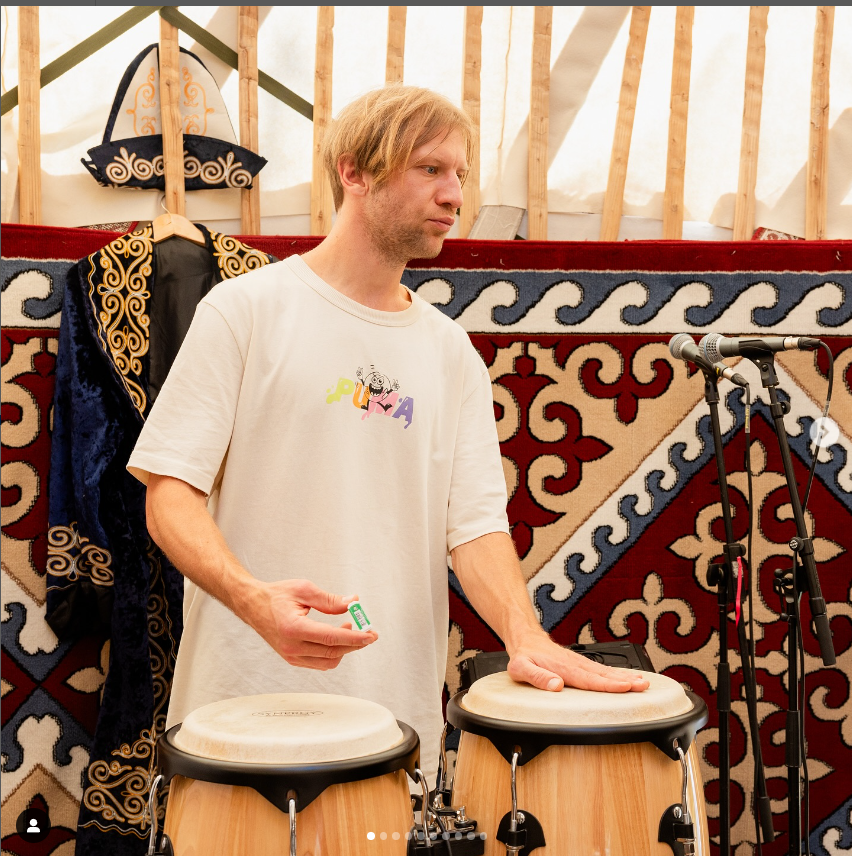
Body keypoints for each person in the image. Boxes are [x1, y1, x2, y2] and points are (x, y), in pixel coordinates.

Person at [128, 85, 648, 782]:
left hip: (393, 725)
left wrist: (525, 635)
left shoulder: (450, 351)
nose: (454, 195)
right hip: (240, 714)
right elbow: (169, 495)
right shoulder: (245, 311)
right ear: (355, 171)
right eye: (430, 169)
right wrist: (254, 600)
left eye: (460, 174)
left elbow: (475, 527)